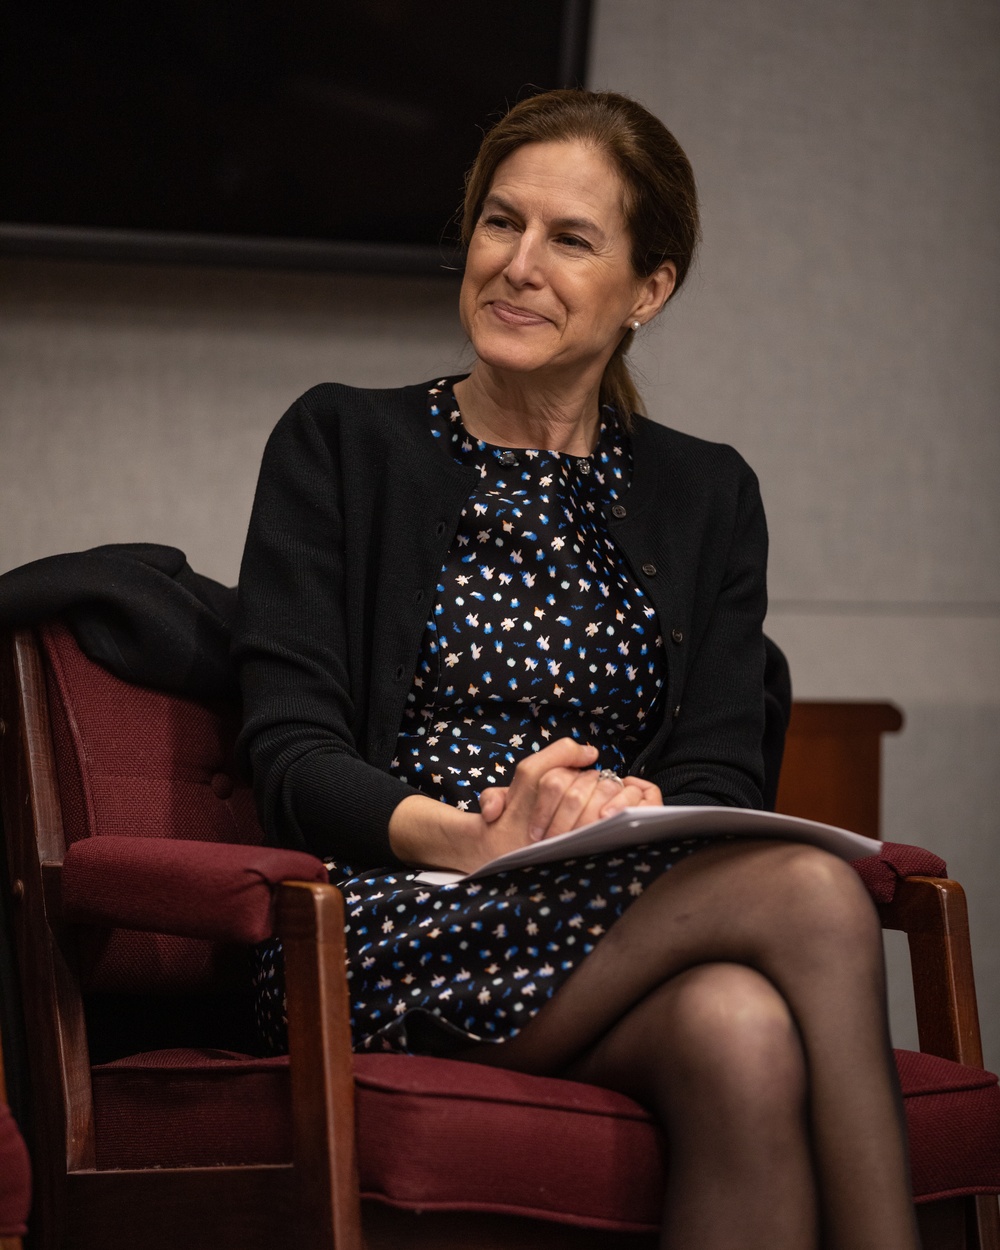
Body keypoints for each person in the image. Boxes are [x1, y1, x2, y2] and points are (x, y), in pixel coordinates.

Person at [234, 89, 919, 1249]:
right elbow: (290, 757)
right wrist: (477, 838)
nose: (516, 266)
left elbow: (721, 765)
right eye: (500, 224)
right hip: (387, 916)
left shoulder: (707, 493)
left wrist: (622, 808)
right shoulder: (344, 440)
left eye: (569, 238)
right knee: (808, 889)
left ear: (648, 289)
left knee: (738, 1027)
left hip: (597, 901)